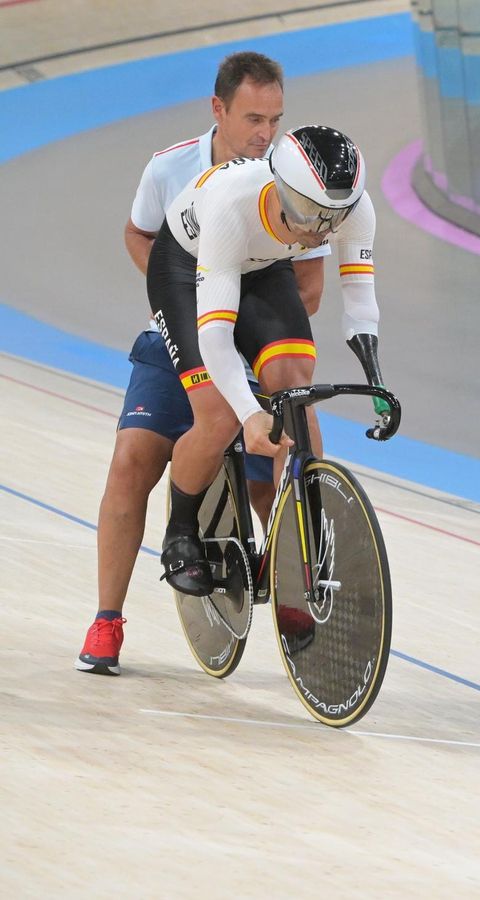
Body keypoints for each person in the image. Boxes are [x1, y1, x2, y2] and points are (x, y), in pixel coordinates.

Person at [77, 52, 327, 677]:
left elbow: (312, 282)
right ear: (218, 110)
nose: (265, 134)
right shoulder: (169, 168)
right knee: (134, 457)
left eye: (275, 119)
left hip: (246, 333)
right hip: (181, 330)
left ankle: (298, 582)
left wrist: (254, 336)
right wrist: (181, 303)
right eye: (252, 118)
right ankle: (107, 620)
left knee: (287, 443)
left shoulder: (293, 174)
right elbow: (139, 236)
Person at [153, 125, 385, 599]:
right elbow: (215, 332)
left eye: (331, 218)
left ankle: (299, 546)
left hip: (261, 266)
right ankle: (179, 530)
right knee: (218, 415)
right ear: (281, 187)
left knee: (296, 394)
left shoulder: (355, 208)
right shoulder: (230, 203)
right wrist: (248, 412)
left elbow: (361, 302)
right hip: (187, 265)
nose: (317, 229)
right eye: (309, 212)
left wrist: (377, 386)